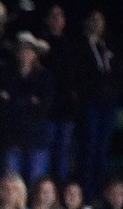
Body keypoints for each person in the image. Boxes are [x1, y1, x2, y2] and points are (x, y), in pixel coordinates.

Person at [0, 32, 55, 187]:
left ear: (35, 54)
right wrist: (30, 100)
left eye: (29, 50)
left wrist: (14, 99)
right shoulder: (6, 74)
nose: (25, 53)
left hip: (36, 137)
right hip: (12, 137)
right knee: (12, 184)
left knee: (36, 184)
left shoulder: (44, 76)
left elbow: (44, 106)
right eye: (22, 49)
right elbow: (2, 106)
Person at [75, 10, 122, 197]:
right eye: (93, 20)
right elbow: (80, 73)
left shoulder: (107, 46)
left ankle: (99, 190)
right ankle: (86, 191)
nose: (97, 24)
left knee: (103, 148)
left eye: (100, 20)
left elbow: (118, 71)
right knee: (89, 145)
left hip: (108, 101)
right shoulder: (82, 46)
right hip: (91, 101)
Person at [40, 4, 79, 182]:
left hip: (66, 108)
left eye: (60, 16)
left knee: (62, 153)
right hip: (47, 108)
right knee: (46, 151)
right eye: (53, 16)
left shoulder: (71, 44)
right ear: (47, 20)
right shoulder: (41, 44)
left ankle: (60, 189)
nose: (56, 19)